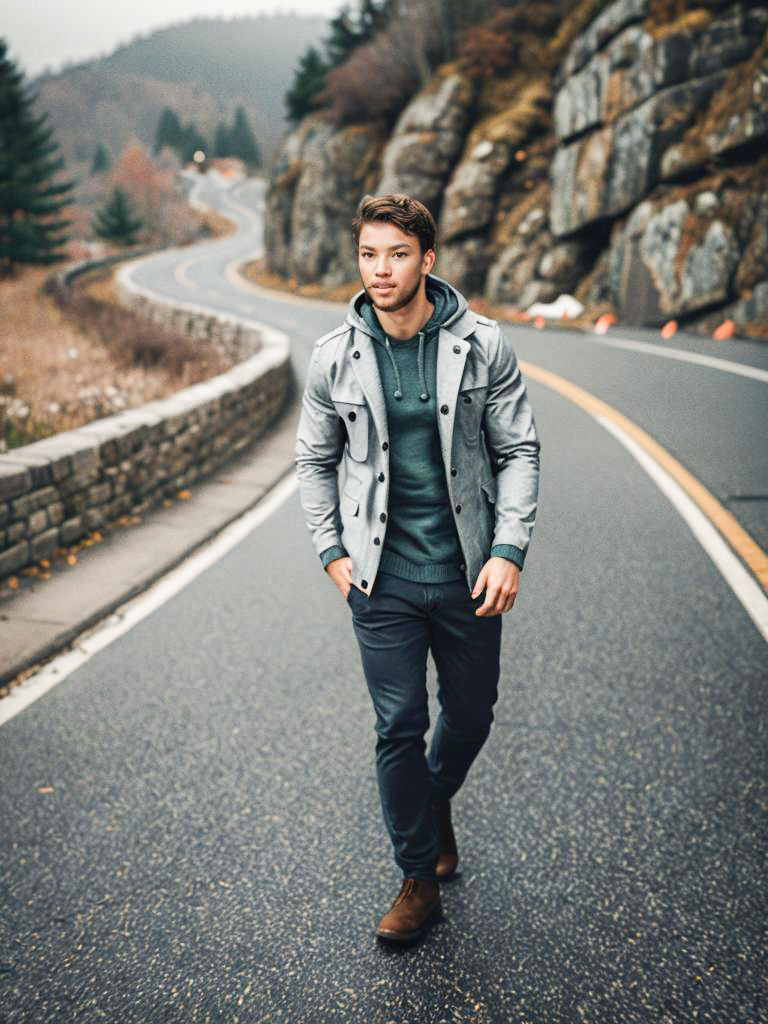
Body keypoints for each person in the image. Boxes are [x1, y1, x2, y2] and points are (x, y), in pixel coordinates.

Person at [295, 194, 540, 944]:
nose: (380, 270)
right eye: (369, 254)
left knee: (470, 716)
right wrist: (333, 554)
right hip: (383, 578)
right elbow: (314, 460)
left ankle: (434, 802)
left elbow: (517, 451)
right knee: (398, 724)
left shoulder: (484, 345)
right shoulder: (333, 356)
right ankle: (415, 876)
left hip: (469, 572)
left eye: (397, 255)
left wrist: (508, 549)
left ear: (427, 260)